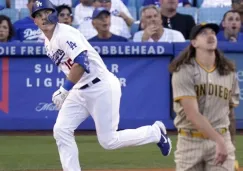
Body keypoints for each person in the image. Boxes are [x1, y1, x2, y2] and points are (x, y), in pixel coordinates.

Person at [31, 0, 172, 171]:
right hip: (80, 90)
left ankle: (154, 133)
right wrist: (69, 89)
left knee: (108, 141)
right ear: (34, 21)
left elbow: (82, 62)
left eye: (47, 12)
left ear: (54, 14)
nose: (44, 17)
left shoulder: (65, 34)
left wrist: (64, 89)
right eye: (39, 15)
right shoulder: (47, 43)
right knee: (61, 130)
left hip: (100, 86)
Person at [169, 23, 239, 171]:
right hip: (190, 141)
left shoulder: (229, 72)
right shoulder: (183, 71)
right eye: (204, 33)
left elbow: (230, 114)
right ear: (194, 43)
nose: (210, 35)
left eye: (212, 32)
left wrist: (229, 145)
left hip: (221, 137)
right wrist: (219, 140)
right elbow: (192, 114)